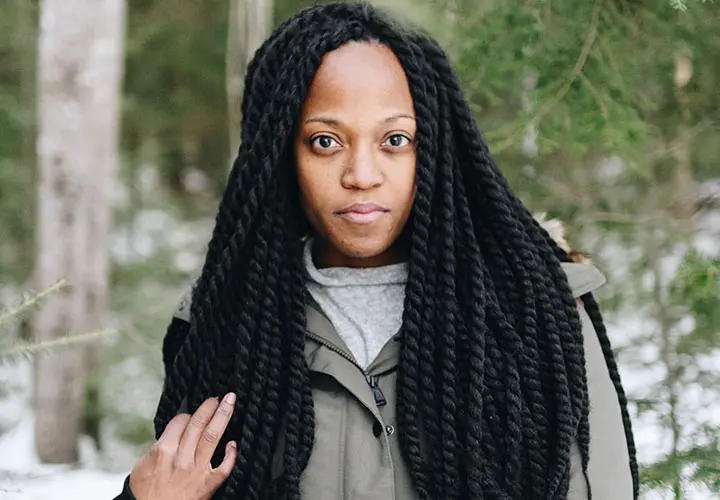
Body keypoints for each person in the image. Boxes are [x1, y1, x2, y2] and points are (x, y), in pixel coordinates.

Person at [114, 3, 638, 499]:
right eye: (325, 141)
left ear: (433, 148)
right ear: (279, 152)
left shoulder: (537, 313)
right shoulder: (228, 324)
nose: (361, 176)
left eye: (394, 141)